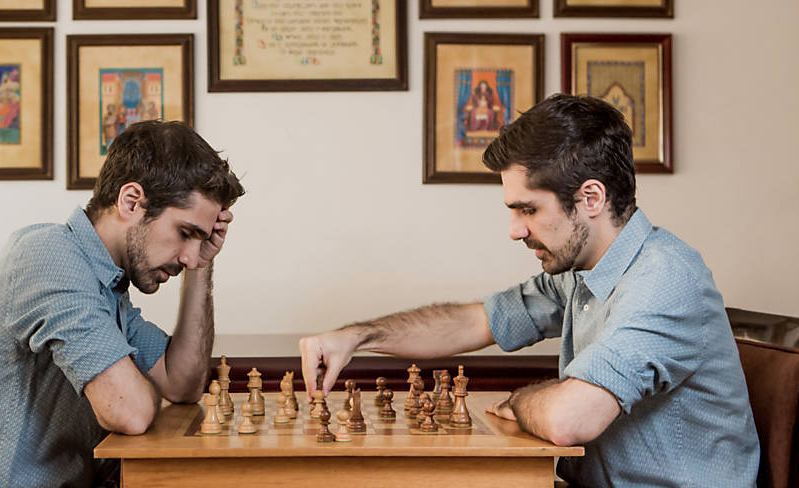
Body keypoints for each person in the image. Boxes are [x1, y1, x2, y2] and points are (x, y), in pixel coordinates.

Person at [299, 95, 760, 487]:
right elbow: (475, 321)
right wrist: (359, 336)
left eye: (528, 209)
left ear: (592, 199)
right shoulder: (580, 271)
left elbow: (567, 420)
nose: (515, 230)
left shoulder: (665, 278)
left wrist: (519, 403)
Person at [0, 121, 245, 487]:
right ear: (131, 202)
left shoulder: (106, 284)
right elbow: (129, 411)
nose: (188, 256)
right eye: (185, 233)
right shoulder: (48, 256)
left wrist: (203, 264)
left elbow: (182, 383)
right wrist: (138, 390)